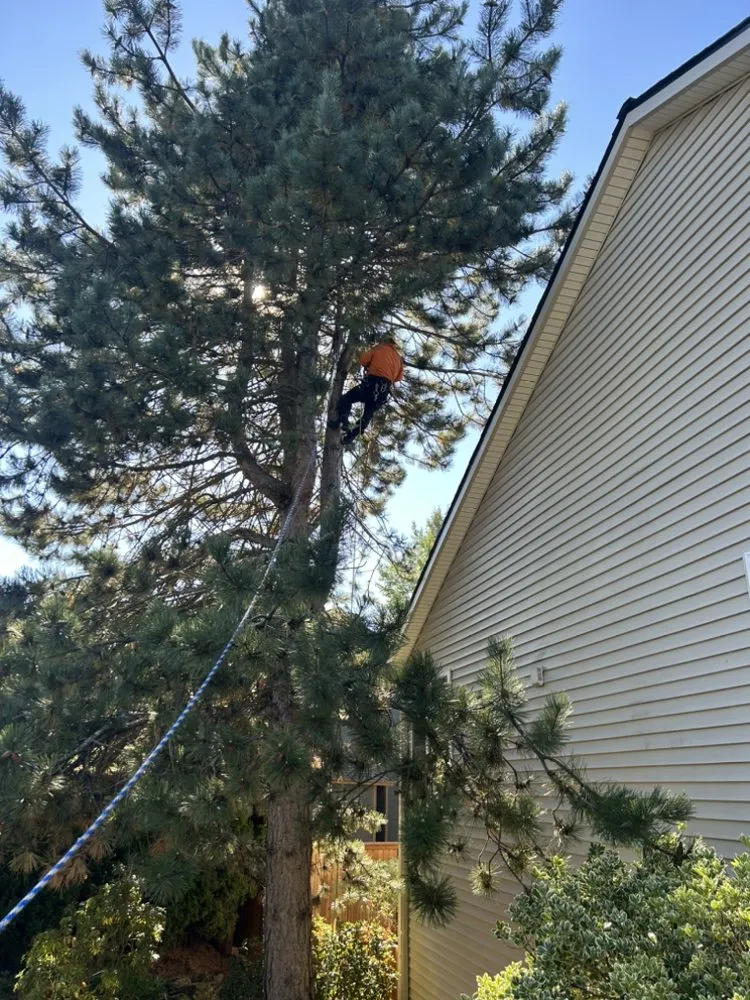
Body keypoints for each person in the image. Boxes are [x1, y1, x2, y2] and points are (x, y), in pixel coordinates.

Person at [331, 336, 404, 445]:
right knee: (367, 414)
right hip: (383, 391)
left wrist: (372, 365)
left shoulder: (379, 348)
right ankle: (351, 435)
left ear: (384, 341)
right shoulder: (399, 359)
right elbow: (398, 378)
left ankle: (344, 420)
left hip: (371, 383)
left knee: (347, 398)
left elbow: (363, 360)